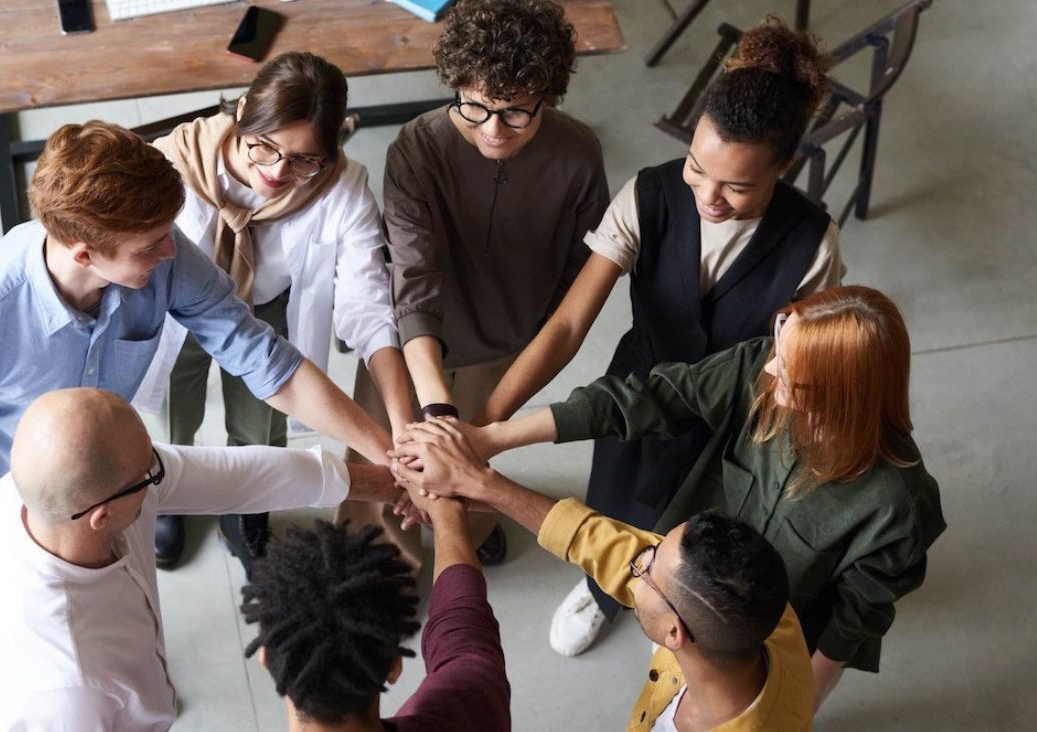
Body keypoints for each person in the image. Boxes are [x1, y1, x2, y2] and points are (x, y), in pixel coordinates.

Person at [0, 120, 393, 729]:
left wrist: (384, 453)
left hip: (106, 471)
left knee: (107, 615)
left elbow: (262, 358)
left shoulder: (158, 251)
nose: (171, 252)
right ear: (85, 252)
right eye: (152, 245)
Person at [474, 14, 846, 656]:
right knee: (617, 499)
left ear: (783, 167)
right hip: (636, 391)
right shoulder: (648, 195)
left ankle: (677, 605)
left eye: (738, 185)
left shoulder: (813, 242)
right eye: (698, 169)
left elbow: (804, 363)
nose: (708, 196)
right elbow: (566, 326)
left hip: (735, 415)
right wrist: (486, 427)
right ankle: (602, 588)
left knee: (705, 530)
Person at [397, 286, 946, 710]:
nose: (771, 368)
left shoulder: (898, 505)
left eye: (794, 379)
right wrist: (491, 439)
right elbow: (648, 399)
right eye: (780, 344)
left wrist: (795, 705)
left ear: (845, 397)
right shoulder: (763, 366)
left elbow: (853, 622)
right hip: (678, 582)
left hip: (761, 642)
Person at [336, 0, 610, 574]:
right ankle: (382, 562)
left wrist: (531, 337)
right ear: (455, 83)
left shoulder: (579, 154)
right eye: (475, 107)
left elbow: (576, 272)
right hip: (414, 342)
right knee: (392, 454)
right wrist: (434, 410)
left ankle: (475, 528)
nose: (493, 130)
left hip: (506, 342)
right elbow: (412, 280)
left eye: (515, 113)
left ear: (548, 96)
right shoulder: (416, 147)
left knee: (476, 461)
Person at [0, 388, 405, 730]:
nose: (162, 471)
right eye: (150, 470)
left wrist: (388, 483)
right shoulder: (68, 690)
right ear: (101, 516)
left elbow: (237, 478)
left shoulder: (40, 491)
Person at [135, 51, 414, 572]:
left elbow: (367, 303)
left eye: (304, 159)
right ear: (242, 112)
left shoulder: (341, 187)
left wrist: (401, 428)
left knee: (262, 426)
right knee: (176, 410)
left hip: (269, 309)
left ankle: (247, 507)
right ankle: (171, 489)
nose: (278, 172)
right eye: (263, 147)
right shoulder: (173, 160)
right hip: (179, 310)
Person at [389, 421, 814, 730]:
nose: (636, 560)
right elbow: (610, 544)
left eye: (646, 569)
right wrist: (484, 486)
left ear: (674, 634)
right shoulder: (765, 616)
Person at [242, 496, 510, 730]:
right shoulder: (471, 703)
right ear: (394, 667)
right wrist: (446, 513)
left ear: (265, 659)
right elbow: (464, 631)